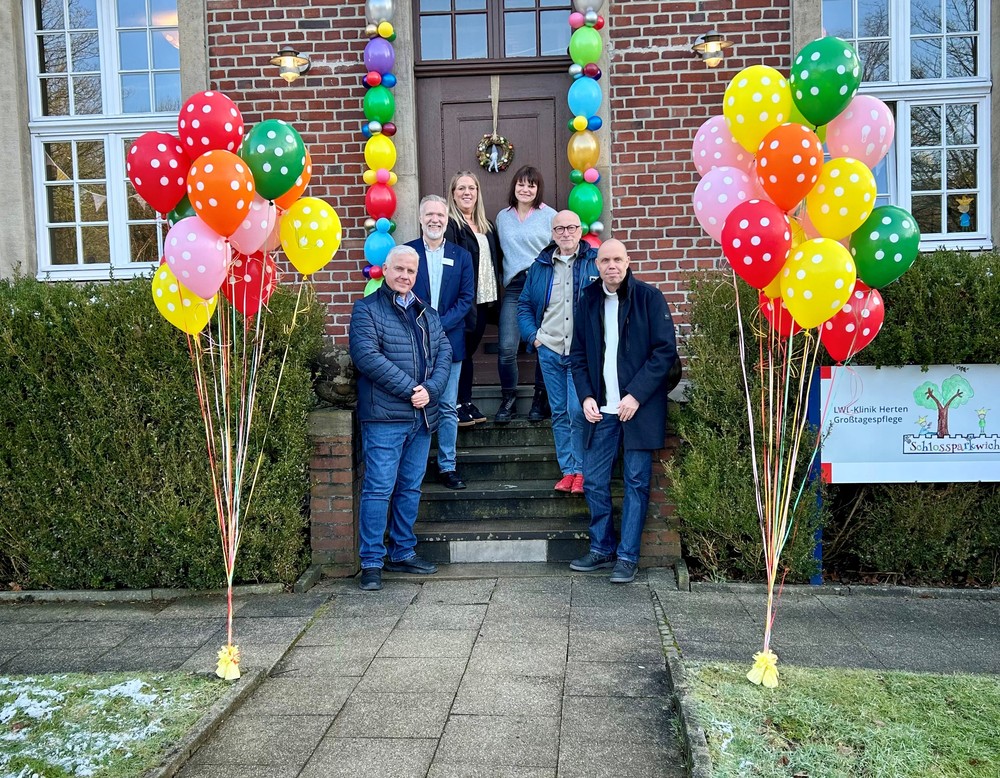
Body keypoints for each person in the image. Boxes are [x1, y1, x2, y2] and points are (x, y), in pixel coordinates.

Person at [569, 239, 678, 583]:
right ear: (596, 265)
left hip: (637, 410)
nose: (611, 265)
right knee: (595, 482)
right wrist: (585, 395)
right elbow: (578, 355)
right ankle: (602, 549)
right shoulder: (587, 300)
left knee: (635, 482)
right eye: (605, 260)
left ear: (628, 262)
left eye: (617, 259)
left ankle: (627, 557)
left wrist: (635, 395)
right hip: (599, 410)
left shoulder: (649, 298)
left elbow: (664, 353)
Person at [348, 245, 452, 591]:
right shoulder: (366, 309)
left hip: (421, 418)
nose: (405, 276)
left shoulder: (428, 313)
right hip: (384, 418)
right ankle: (372, 562)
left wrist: (431, 390)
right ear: (385, 269)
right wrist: (412, 388)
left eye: (411, 271)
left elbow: (444, 354)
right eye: (399, 270)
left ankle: (403, 552)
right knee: (379, 489)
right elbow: (366, 357)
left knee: (409, 487)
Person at [517, 209, 599, 495]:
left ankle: (583, 469)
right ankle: (569, 471)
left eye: (571, 228)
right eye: (560, 229)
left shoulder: (594, 261)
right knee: (560, 412)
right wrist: (534, 337)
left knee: (578, 410)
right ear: (553, 233)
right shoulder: (540, 265)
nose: (566, 233)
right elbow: (524, 304)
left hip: (581, 354)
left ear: (580, 230)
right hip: (549, 349)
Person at [406, 195, 475, 491]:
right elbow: (399, 293)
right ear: (420, 218)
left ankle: (447, 466)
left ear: (447, 220)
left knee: (447, 405)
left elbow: (466, 300)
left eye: (440, 215)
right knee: (413, 404)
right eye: (429, 214)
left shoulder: (462, 256)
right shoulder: (407, 252)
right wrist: (423, 328)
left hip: (450, 343)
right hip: (411, 344)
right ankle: (412, 468)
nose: (435, 220)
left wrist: (437, 326)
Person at [494, 165, 557, 423]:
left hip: (541, 285)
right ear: (514, 187)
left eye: (531, 185)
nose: (526, 189)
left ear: (538, 188)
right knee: (507, 347)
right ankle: (508, 400)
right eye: (521, 184)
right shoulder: (502, 217)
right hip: (514, 287)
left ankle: (539, 399)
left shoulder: (550, 215)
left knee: (542, 343)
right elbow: (499, 254)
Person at [444, 171, 502, 427]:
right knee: (461, 351)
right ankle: (456, 403)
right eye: (461, 189)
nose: (467, 193)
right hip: (464, 301)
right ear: (453, 194)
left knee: (467, 352)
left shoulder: (487, 225)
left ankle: (465, 401)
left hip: (484, 300)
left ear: (478, 193)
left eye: (472, 188)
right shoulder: (451, 226)